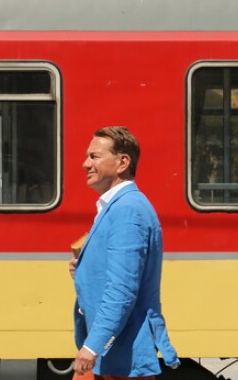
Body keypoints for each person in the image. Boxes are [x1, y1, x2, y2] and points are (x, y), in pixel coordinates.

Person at [69, 126, 179, 380]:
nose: (85, 164)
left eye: (94, 156)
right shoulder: (117, 206)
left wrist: (92, 346)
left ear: (122, 163)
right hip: (111, 354)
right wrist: (82, 271)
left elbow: (123, 290)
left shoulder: (128, 209)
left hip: (120, 352)